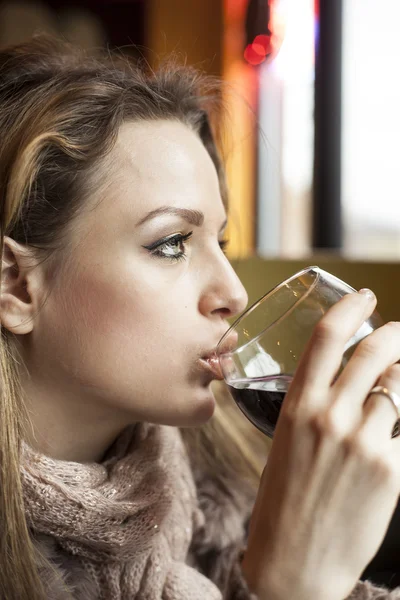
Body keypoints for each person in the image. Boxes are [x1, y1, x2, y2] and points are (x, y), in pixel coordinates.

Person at [1, 35, 400, 600]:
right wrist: (295, 588)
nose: (233, 294)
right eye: (170, 244)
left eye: (222, 241)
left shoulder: (223, 490)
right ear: (15, 284)